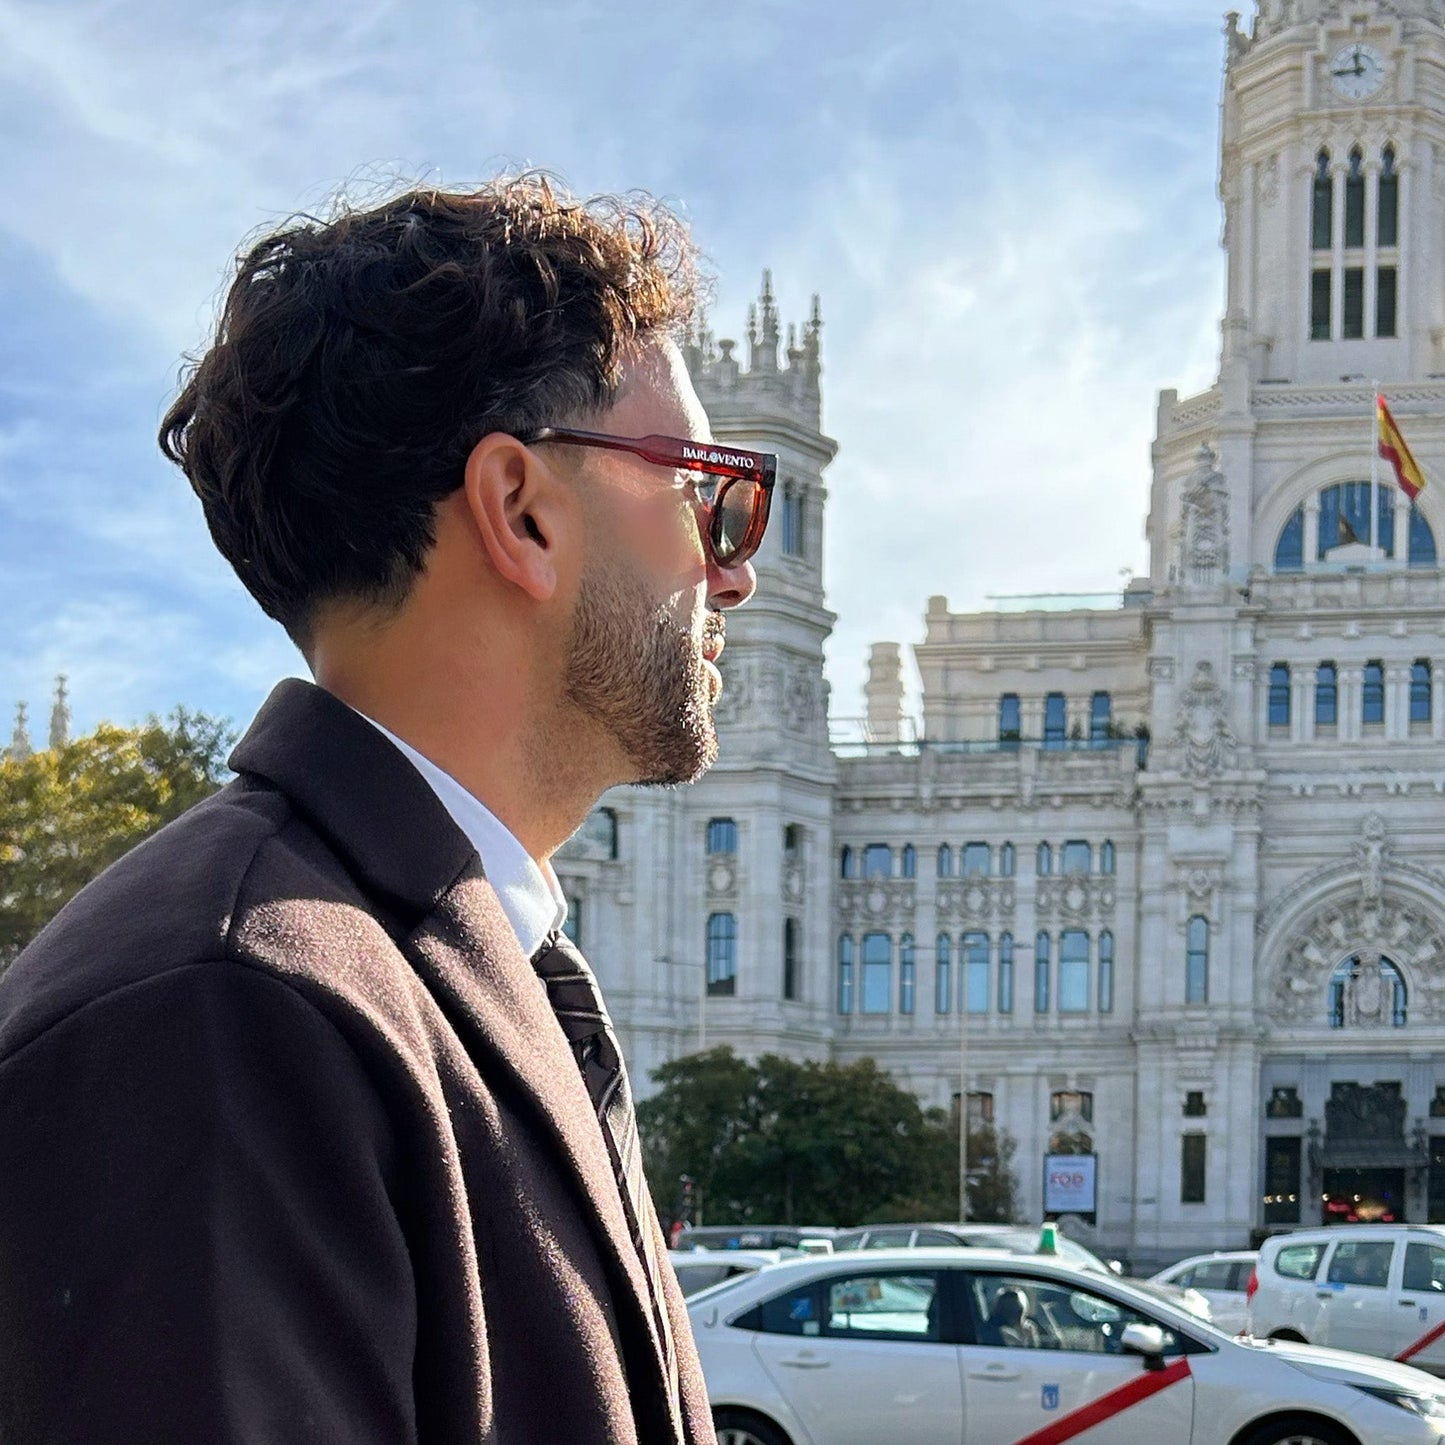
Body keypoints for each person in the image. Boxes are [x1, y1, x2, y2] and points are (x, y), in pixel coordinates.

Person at [0, 178, 774, 1443]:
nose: (733, 564)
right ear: (520, 510)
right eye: (706, 487)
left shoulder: (438, 964)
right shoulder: (229, 1010)